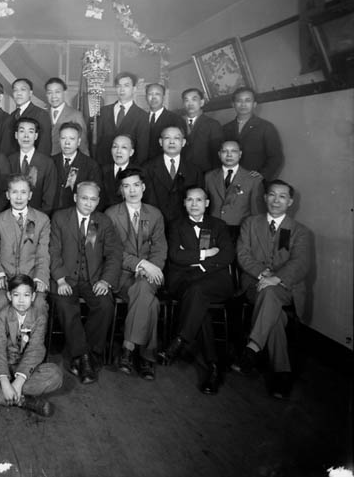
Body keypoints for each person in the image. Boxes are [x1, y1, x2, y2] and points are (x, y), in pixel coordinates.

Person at [233, 180, 312, 400]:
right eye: (272, 195)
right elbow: (243, 255)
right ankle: (282, 373)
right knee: (271, 307)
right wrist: (264, 276)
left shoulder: (300, 231)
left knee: (271, 302)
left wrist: (276, 278)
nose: (276, 200)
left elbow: (301, 263)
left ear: (290, 202)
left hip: (287, 288)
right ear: (265, 197)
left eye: (282, 196)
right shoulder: (250, 223)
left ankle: (252, 349)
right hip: (255, 285)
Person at [158, 187, 235, 395]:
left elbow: (227, 256)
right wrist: (207, 253)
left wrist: (198, 262)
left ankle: (180, 340)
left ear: (207, 203)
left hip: (214, 281)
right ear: (184, 203)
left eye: (199, 200)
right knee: (200, 302)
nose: (194, 204)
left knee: (197, 292)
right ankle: (213, 366)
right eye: (189, 200)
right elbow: (175, 256)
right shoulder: (176, 225)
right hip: (184, 280)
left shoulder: (218, 225)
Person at [49, 181, 123, 384]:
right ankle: (84, 357)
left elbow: (114, 254)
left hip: (94, 279)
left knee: (105, 305)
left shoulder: (104, 221)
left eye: (93, 199)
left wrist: (106, 281)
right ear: (75, 197)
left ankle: (86, 355)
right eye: (84, 198)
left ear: (98, 201)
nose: (88, 203)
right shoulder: (60, 218)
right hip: (66, 279)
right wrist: (61, 279)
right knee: (66, 306)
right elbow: (53, 251)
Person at [0, 275, 62, 417]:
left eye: (26, 295)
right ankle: (22, 400)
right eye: (16, 295)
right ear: (9, 296)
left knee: (55, 375)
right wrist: (4, 381)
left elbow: (35, 350)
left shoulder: (39, 317)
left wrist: (18, 382)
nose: (21, 300)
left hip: (26, 370)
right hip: (2, 367)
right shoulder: (2, 316)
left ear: (33, 296)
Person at [104, 168, 166, 380]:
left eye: (136, 185)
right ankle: (147, 356)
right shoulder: (111, 214)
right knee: (152, 303)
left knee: (144, 288)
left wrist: (152, 269)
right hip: (122, 275)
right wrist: (141, 264)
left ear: (143, 187)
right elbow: (112, 252)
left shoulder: (155, 214)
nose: (132, 190)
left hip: (150, 276)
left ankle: (128, 349)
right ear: (121, 190)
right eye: (126, 186)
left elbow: (160, 248)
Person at [0, 175, 50, 321]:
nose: (18, 197)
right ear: (7, 195)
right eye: (14, 192)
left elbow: (43, 254)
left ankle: (33, 343)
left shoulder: (42, 220)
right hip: (5, 279)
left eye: (23, 192)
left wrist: (39, 279)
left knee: (39, 304)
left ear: (30, 195)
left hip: (30, 279)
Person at [204, 140, 264, 242]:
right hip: (213, 228)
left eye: (234, 151)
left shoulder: (253, 179)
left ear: (240, 154)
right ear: (219, 154)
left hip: (240, 230)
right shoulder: (209, 177)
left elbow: (256, 212)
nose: (229, 155)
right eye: (224, 151)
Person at [142, 125, 204, 224]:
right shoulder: (147, 168)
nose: (172, 142)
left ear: (183, 142)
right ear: (160, 142)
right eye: (167, 138)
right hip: (155, 224)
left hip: (184, 225)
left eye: (176, 138)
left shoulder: (194, 170)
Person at [222, 87, 283, 180]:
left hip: (255, 180)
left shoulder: (266, 127)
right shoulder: (225, 129)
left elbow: (276, 157)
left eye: (248, 100)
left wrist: (263, 175)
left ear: (254, 104)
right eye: (239, 101)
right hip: (230, 179)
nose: (243, 104)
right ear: (233, 104)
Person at [93, 71, 150, 167]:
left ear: (134, 89)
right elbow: (97, 142)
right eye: (119, 86)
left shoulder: (142, 116)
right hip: (104, 167)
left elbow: (142, 149)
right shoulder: (104, 111)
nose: (122, 89)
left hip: (129, 169)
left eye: (126, 85)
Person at [8, 116, 58, 215]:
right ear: (16, 135)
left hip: (38, 218)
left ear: (36, 136)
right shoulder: (9, 160)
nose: (26, 136)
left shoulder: (47, 163)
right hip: (10, 218)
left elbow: (49, 198)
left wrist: (39, 220)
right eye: (22, 131)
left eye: (30, 132)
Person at [52, 121, 101, 211]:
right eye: (63, 138)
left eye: (72, 139)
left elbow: (95, 194)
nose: (67, 143)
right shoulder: (50, 162)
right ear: (59, 140)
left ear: (78, 141)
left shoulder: (90, 165)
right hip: (52, 213)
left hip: (76, 214)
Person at [180, 88, 222, 174]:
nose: (190, 103)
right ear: (183, 104)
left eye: (194, 99)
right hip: (181, 172)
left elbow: (217, 153)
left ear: (202, 102)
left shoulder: (213, 124)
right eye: (186, 100)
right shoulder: (177, 123)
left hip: (205, 172)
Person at [45, 77, 88, 156]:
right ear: (46, 95)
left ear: (65, 93)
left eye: (57, 92)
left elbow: (83, 144)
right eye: (49, 92)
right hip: (44, 161)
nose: (53, 96)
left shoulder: (76, 115)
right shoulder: (42, 114)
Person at [10, 78, 52, 156]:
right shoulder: (12, 115)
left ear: (30, 93)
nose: (18, 93)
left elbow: (44, 145)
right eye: (15, 90)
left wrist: (38, 164)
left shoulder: (41, 114)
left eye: (23, 89)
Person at [145, 83, 186, 161]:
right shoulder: (141, 118)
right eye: (150, 94)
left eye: (157, 94)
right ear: (146, 97)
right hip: (144, 166)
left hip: (165, 164)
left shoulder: (175, 119)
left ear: (163, 97)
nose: (153, 98)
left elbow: (180, 147)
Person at [100, 134, 138, 210]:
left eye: (124, 147)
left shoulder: (138, 172)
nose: (118, 151)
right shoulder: (102, 170)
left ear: (131, 152)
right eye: (115, 147)